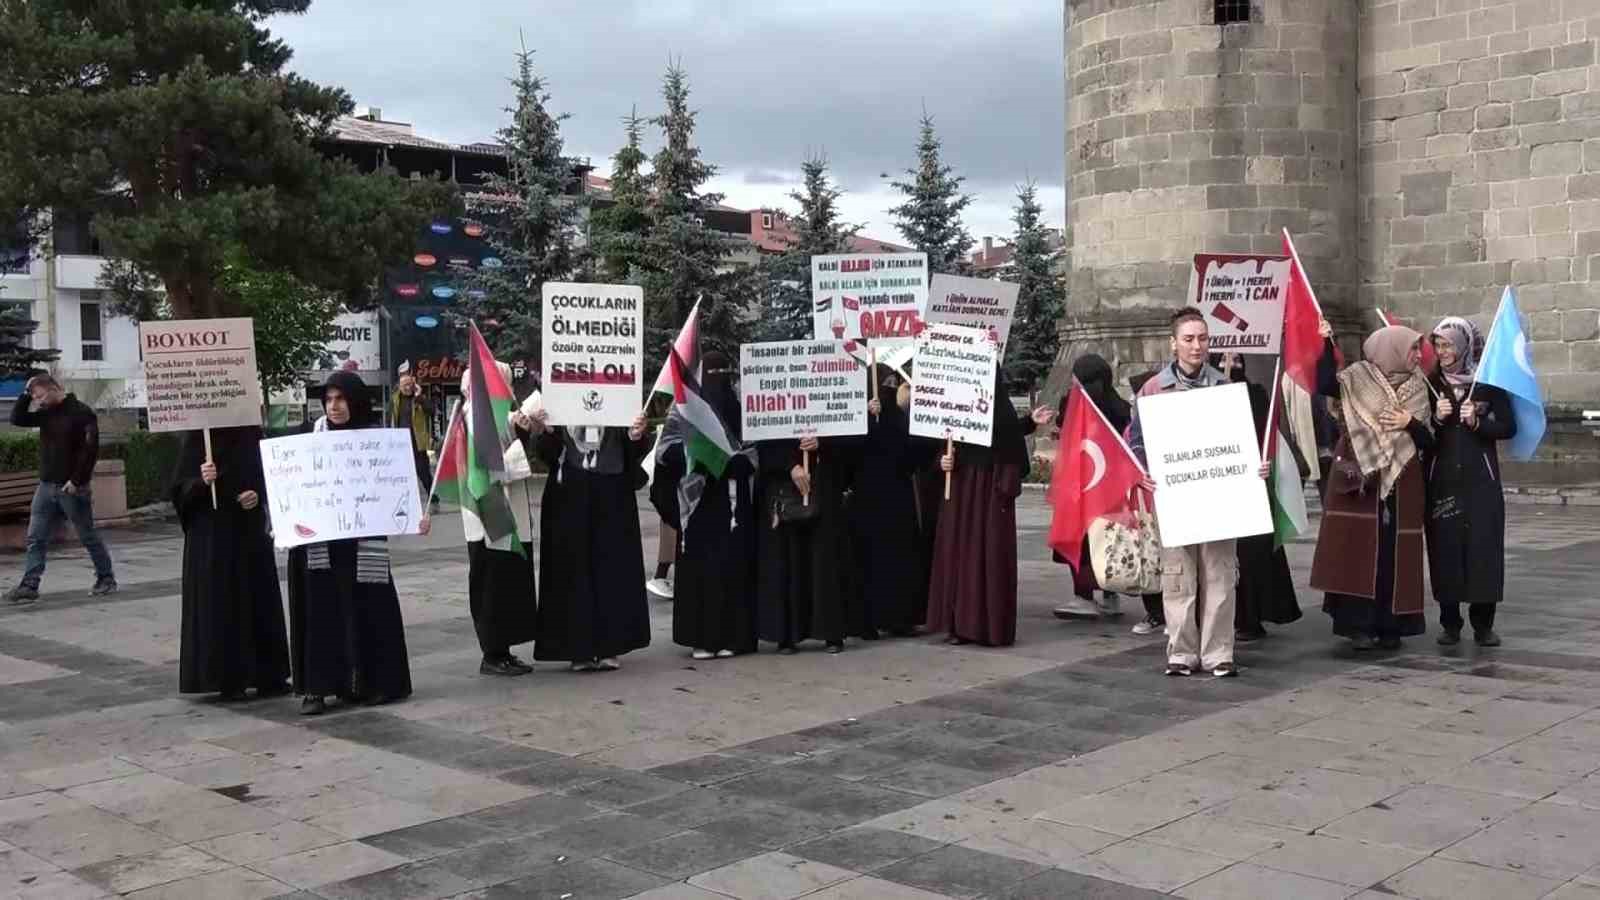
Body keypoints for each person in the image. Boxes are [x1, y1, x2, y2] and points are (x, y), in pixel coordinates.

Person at [1127, 309, 1270, 677]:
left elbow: (1241, 444)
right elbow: (1137, 442)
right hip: (1175, 496)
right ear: (1174, 343)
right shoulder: (1153, 389)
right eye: (1189, 339)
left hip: (1218, 495)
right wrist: (1142, 471)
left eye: (1202, 338)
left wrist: (1254, 467)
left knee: (1220, 574)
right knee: (1178, 574)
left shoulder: (1225, 388)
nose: (1196, 345)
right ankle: (1182, 651)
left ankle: (1219, 652)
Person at [288, 371, 417, 714]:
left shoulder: (375, 439)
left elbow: (395, 488)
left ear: (355, 402)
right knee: (321, 610)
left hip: (362, 542)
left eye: (341, 398)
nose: (334, 406)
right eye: (329, 399)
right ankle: (317, 687)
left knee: (369, 609)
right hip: (321, 544)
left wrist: (413, 512)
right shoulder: (309, 436)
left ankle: (375, 682)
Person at [1311, 325, 1434, 651]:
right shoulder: (1356, 377)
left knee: (1393, 557)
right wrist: (1326, 343)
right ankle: (1359, 626)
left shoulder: (1419, 387)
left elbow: (1427, 440)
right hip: (1361, 477)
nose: (1418, 356)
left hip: (1401, 481)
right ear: (1391, 349)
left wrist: (1411, 423)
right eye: (1412, 349)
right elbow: (1324, 384)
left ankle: (1391, 625)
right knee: (1358, 553)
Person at [928, 374, 1053, 648]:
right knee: (959, 554)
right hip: (960, 489)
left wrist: (1029, 423)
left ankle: (983, 625)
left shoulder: (999, 409)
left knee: (986, 554)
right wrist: (943, 461)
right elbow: (940, 445)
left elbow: (1004, 433)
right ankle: (957, 622)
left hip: (988, 492)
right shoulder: (953, 407)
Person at [170, 425, 291, 700]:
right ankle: (227, 677)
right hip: (212, 536)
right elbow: (179, 489)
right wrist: (201, 482)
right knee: (221, 600)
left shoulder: (251, 433)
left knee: (257, 599)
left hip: (248, 534)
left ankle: (267, 674)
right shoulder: (198, 437)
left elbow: (270, 476)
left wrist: (257, 495)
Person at [653, 351, 759, 659]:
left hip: (732, 506)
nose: (718, 382)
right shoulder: (683, 411)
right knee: (701, 569)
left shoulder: (741, 411)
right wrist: (695, 456)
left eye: (723, 374)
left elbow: (753, 454)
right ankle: (701, 638)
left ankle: (732, 637)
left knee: (732, 567)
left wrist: (730, 461)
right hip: (696, 504)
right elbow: (666, 453)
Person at [436, 364, 540, 676]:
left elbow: (511, 438)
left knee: (507, 583)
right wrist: (519, 443)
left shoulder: (495, 414)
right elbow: (486, 469)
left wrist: (523, 427)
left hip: (507, 514)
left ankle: (503, 650)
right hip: (488, 515)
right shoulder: (470, 417)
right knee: (492, 584)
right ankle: (493, 653)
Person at [534, 413, 652, 671]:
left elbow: (636, 449)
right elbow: (545, 455)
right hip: (568, 495)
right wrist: (549, 431)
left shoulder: (618, 403)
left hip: (612, 492)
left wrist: (636, 434)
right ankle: (579, 648)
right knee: (572, 571)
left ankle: (611, 644)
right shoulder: (556, 403)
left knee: (612, 567)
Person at [1424, 317, 1513, 648]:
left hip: (1481, 482)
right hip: (1442, 481)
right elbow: (1421, 434)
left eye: (1448, 345)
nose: (1442, 352)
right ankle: (1450, 622)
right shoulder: (1430, 382)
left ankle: (1483, 624)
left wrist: (1477, 422)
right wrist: (1437, 417)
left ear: (1464, 345)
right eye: (1438, 344)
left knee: (1483, 549)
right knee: (1444, 548)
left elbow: (1508, 427)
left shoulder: (1489, 383)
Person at [5, 374, 116, 603]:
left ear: (55, 388)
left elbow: (90, 449)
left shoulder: (81, 412)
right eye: (35, 398)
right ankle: (29, 585)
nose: (39, 402)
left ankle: (106, 578)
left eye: (41, 396)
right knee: (35, 537)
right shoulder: (46, 414)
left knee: (87, 535)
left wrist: (77, 481)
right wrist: (26, 394)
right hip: (46, 486)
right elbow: (17, 418)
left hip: (72, 488)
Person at [1216, 354, 1303, 643]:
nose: (1232, 364)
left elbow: (1264, 433)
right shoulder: (1204, 395)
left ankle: (1251, 619)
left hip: (1252, 484)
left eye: (1237, 359)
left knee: (1252, 556)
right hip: (1219, 487)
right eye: (1225, 360)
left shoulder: (1255, 395)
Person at [756, 429, 863, 654]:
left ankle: (831, 631)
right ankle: (788, 633)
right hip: (786, 490)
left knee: (825, 562)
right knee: (789, 560)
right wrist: (790, 465)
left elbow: (850, 436)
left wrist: (822, 443)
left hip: (824, 487)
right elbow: (763, 439)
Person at [1051, 354, 1131, 622]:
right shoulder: (1119, 406)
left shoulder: (1078, 405)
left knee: (1082, 539)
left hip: (1082, 485)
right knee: (1108, 539)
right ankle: (1111, 592)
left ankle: (1083, 596)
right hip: (1110, 487)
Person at [851, 365, 928, 638]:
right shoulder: (857, 417)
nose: (888, 389)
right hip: (870, 498)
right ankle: (871, 619)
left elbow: (912, 454)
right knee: (871, 559)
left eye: (891, 385)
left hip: (895, 498)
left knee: (898, 558)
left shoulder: (897, 417)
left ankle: (899, 617)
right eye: (884, 384)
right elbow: (850, 452)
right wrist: (867, 420)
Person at [1126, 368, 1165, 637]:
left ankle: (1165, 613)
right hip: (1147, 500)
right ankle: (1156, 612)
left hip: (1169, 496)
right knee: (1151, 557)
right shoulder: (1134, 429)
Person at [390, 366, 437, 509]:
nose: (407, 387)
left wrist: (420, 396)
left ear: (414, 384)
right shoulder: (395, 399)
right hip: (400, 442)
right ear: (399, 386)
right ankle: (403, 500)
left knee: (423, 471)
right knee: (400, 473)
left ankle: (433, 496)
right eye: (404, 385)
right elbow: (391, 417)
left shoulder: (418, 399)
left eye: (409, 384)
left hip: (417, 442)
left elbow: (432, 410)